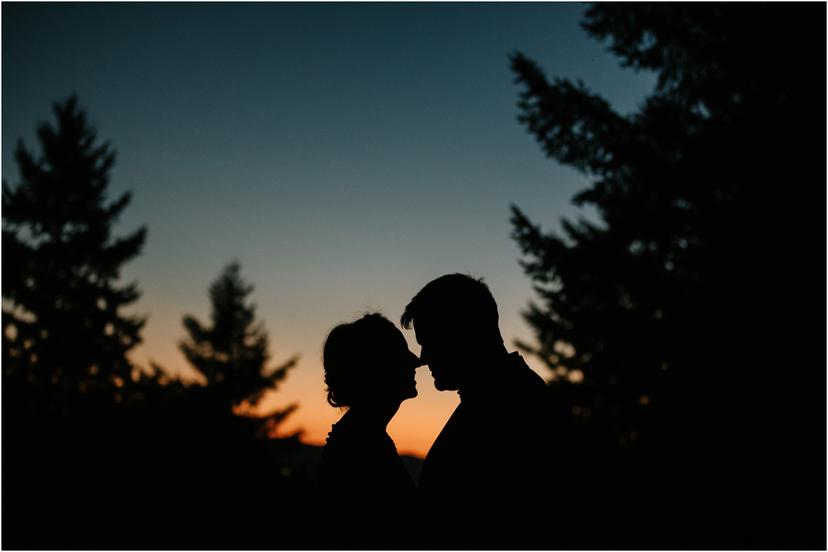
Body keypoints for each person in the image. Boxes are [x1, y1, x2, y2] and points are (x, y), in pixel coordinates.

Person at [401, 273, 556, 544]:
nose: (423, 359)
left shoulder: (513, 409)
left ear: (463, 332)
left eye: (429, 341)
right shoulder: (497, 399)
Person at [319, 313, 422, 502]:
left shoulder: (360, 435)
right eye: (401, 353)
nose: (416, 361)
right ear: (377, 368)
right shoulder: (363, 446)